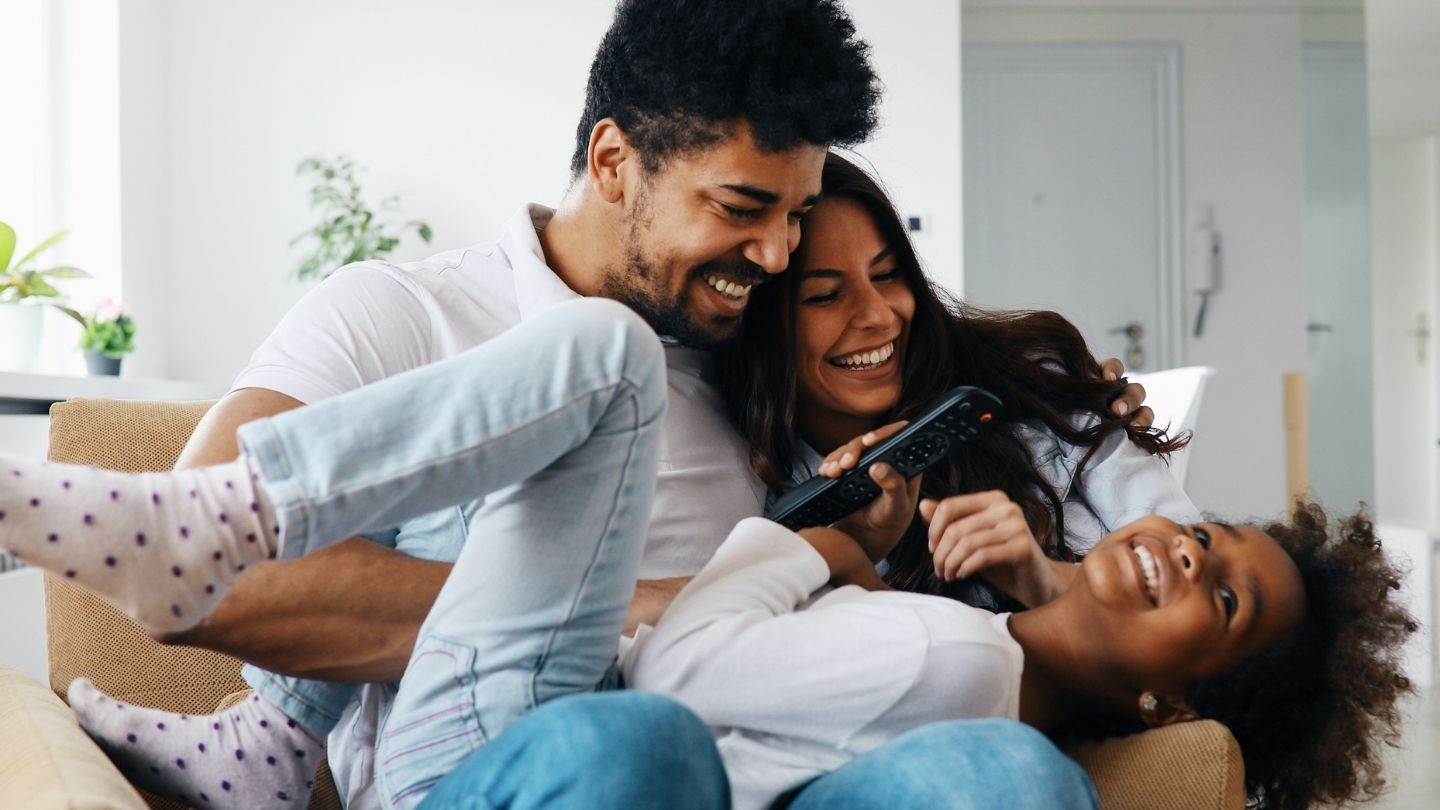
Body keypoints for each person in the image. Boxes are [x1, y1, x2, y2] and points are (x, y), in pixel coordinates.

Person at [0, 300, 1413, 810]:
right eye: (1204, 532)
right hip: (531, 731)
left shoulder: (961, 658)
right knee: (598, 374)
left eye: (1221, 601)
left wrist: (812, 552)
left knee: (1018, 783)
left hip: (583, 718)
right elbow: (675, 669)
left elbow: (692, 655)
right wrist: (858, 548)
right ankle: (229, 594)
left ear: (1178, 699)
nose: (1181, 557)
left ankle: (226, 589)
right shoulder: (951, 623)